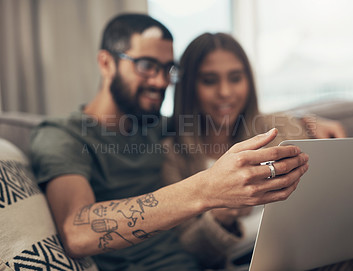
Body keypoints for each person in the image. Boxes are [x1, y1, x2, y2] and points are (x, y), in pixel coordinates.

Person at [29, 14, 309, 271]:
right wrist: (208, 188)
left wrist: (307, 121)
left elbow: (228, 114)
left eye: (168, 69)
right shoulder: (62, 136)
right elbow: (79, 232)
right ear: (105, 63)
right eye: (147, 66)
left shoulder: (157, 127)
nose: (161, 81)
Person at [162, 32, 353, 270]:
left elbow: (321, 195)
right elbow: (186, 250)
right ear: (189, 86)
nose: (225, 92)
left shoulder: (279, 126)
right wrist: (221, 216)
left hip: (310, 252)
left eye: (235, 78)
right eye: (209, 80)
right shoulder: (172, 154)